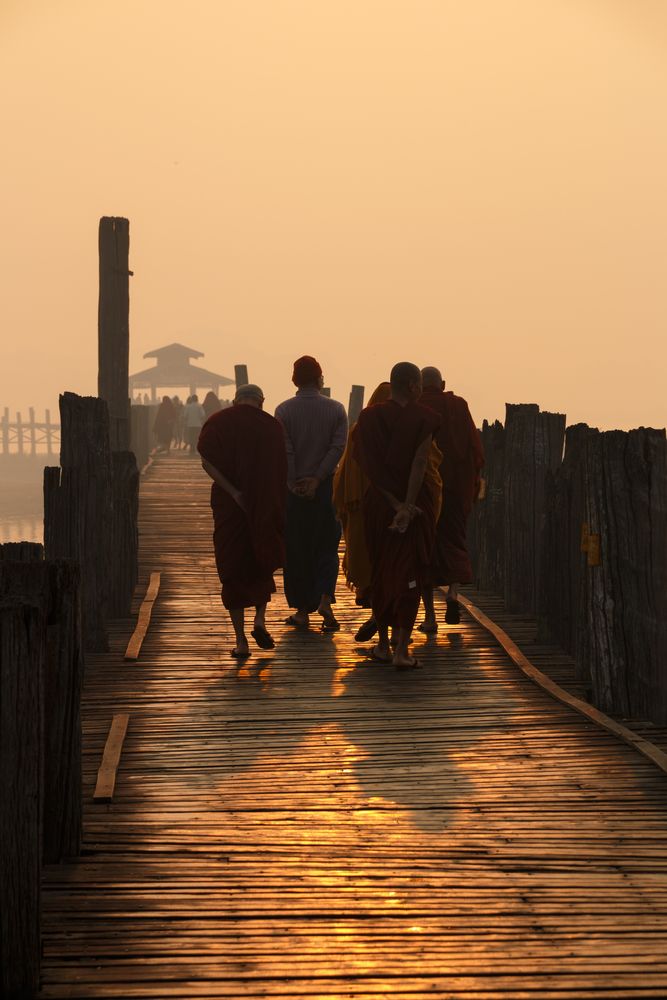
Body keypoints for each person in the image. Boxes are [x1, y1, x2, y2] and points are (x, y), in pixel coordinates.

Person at [334, 382, 443, 643]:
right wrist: (409, 505)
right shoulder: (421, 422)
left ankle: (382, 637)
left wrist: (358, 505)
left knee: (379, 569)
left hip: (370, 507)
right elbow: (427, 468)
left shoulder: (362, 428)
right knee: (408, 570)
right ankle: (400, 640)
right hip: (411, 506)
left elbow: (354, 470)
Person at [198, 383, 287, 657]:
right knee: (261, 560)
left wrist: (234, 491)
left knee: (232, 568)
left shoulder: (217, 422)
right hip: (262, 503)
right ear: (261, 401)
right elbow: (280, 468)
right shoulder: (271, 426)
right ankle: (260, 618)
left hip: (230, 505)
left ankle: (240, 641)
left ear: (236, 400)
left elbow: (206, 462)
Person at [275, 356, 348, 631]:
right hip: (325, 487)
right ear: (320, 379)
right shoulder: (336, 409)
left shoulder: (283, 410)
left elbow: (286, 450)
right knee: (327, 545)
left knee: (296, 549)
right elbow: (337, 448)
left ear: (295, 380)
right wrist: (317, 479)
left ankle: (302, 611)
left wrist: (294, 482)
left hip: (293, 490)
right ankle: (326, 600)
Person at [419, 366, 484, 629]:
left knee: (423, 549)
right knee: (455, 541)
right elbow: (475, 449)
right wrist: (475, 480)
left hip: (425, 491)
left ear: (418, 386)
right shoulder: (458, 405)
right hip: (456, 489)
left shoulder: (417, 406)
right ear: (443, 384)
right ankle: (453, 593)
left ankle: (430, 617)